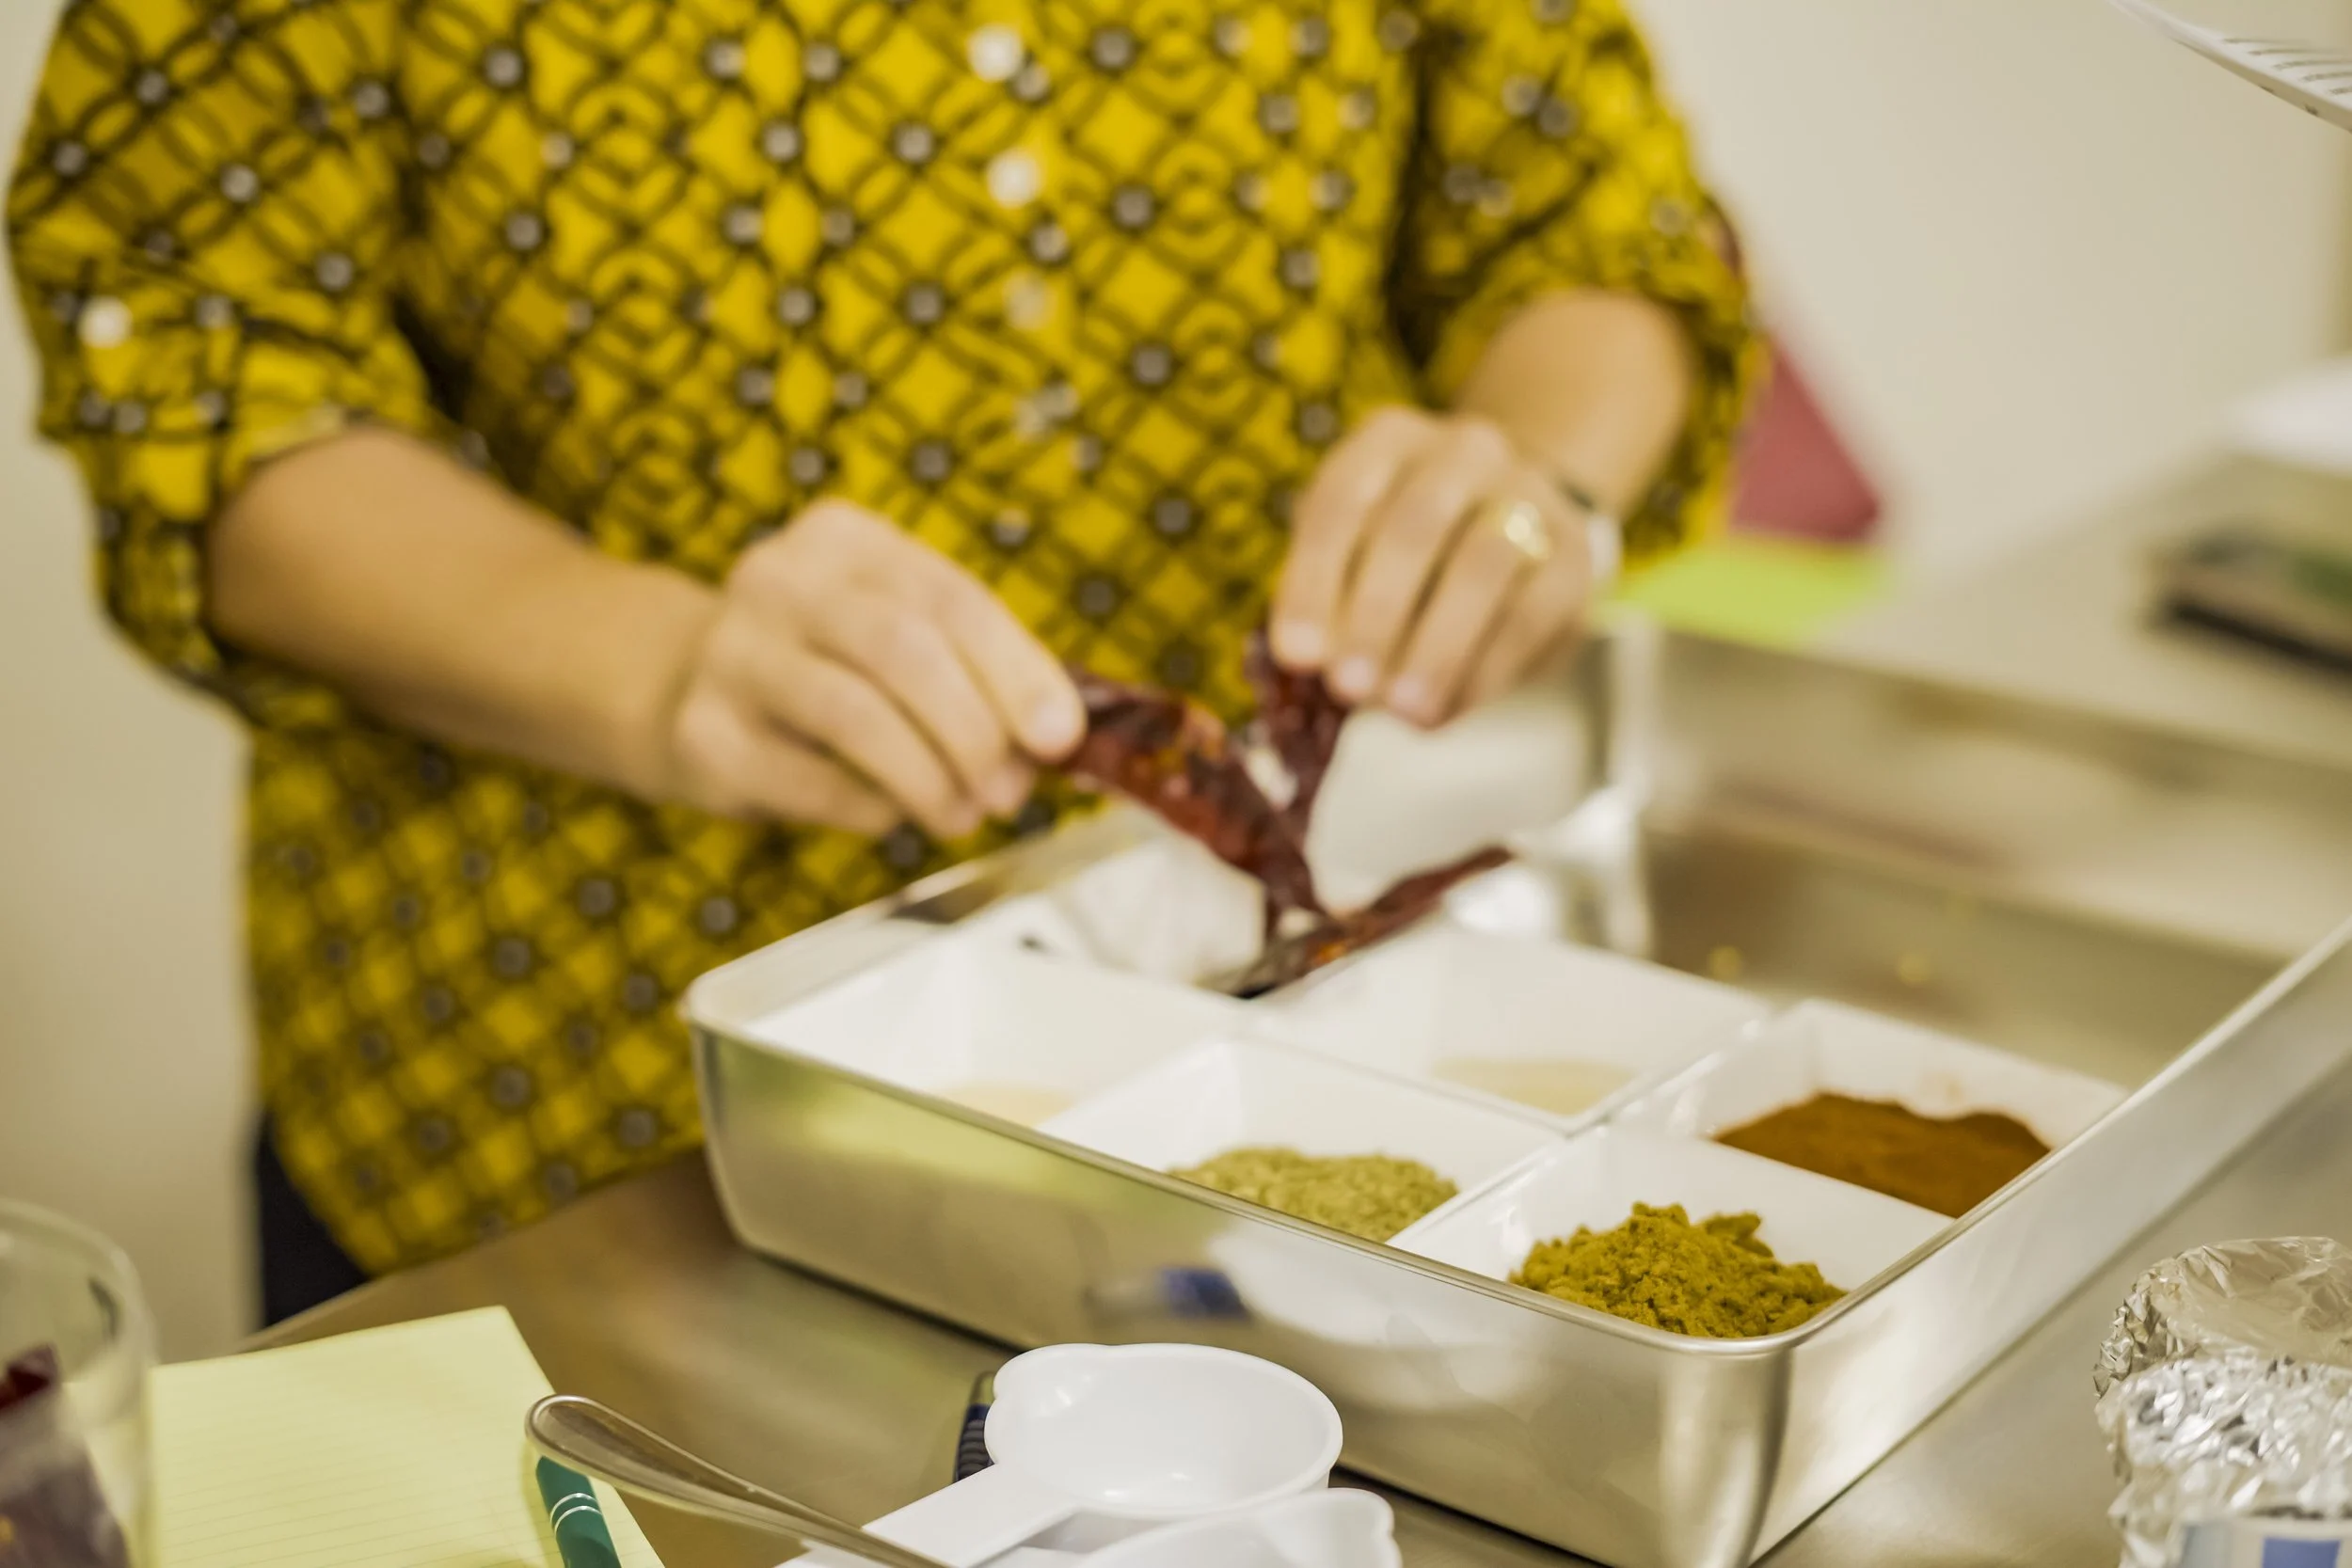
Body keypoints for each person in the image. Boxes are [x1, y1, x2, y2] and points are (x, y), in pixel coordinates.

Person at [8, 0, 1754, 1320]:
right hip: (570, 1111)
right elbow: (193, 362)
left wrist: (1535, 474)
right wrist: (661, 664)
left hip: (1255, 1063)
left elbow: (1592, 216)